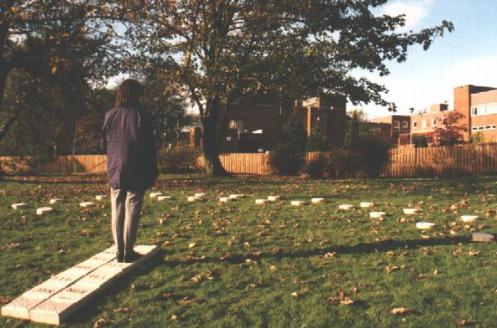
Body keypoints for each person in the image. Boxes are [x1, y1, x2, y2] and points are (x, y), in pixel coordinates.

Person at [102, 79, 158, 263]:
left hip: (115, 168)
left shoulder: (109, 115)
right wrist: (153, 170)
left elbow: (103, 143)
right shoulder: (143, 115)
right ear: (137, 95)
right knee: (132, 208)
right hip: (137, 168)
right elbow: (150, 146)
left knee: (116, 208)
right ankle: (128, 250)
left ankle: (119, 250)